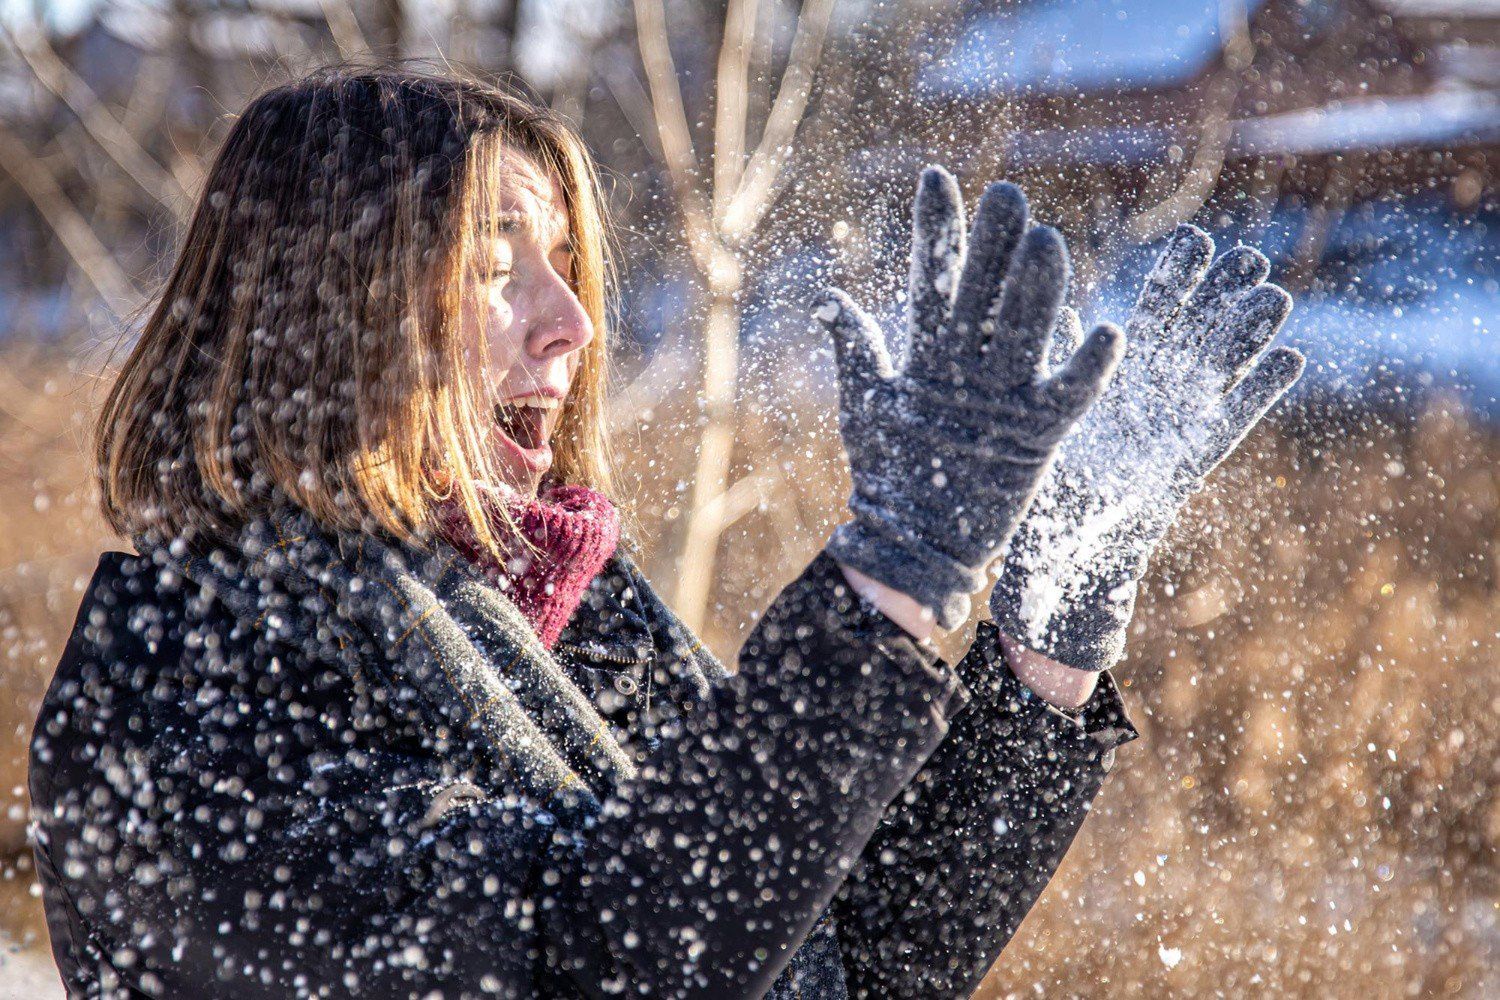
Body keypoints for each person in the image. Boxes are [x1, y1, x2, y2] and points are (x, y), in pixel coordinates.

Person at [28, 68, 1302, 999]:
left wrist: (1036, 654)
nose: (568, 325)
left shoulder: (564, 620)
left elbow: (842, 960)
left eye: (565, 262)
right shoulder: (191, 686)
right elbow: (595, 958)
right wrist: (887, 588)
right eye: (492, 262)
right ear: (327, 310)